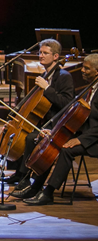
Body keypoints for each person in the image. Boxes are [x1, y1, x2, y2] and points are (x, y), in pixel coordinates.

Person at [23, 54, 98, 205]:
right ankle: (36, 186)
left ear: (97, 71)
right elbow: (73, 115)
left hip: (93, 139)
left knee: (65, 150)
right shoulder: (89, 88)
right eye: (83, 66)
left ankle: (48, 192)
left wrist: (80, 140)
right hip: (84, 133)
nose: (82, 70)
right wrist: (55, 130)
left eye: (86, 68)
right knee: (52, 141)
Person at [5, 39, 74, 199]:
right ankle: (20, 174)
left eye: (45, 53)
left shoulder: (64, 77)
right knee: (19, 135)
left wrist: (47, 88)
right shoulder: (45, 74)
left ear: (56, 56)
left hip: (57, 124)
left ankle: (26, 179)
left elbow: (66, 104)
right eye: (39, 52)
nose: (40, 56)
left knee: (30, 139)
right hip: (43, 121)